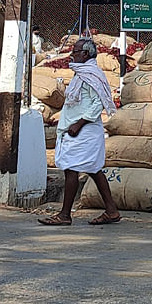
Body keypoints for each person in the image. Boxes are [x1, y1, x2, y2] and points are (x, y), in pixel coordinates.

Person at [38, 38, 120, 226]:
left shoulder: (91, 75)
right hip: (77, 128)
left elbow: (98, 103)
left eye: (75, 51)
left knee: (71, 168)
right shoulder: (81, 74)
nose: (72, 54)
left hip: (84, 130)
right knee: (93, 169)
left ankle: (65, 215)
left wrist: (79, 123)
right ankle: (111, 210)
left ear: (85, 54)